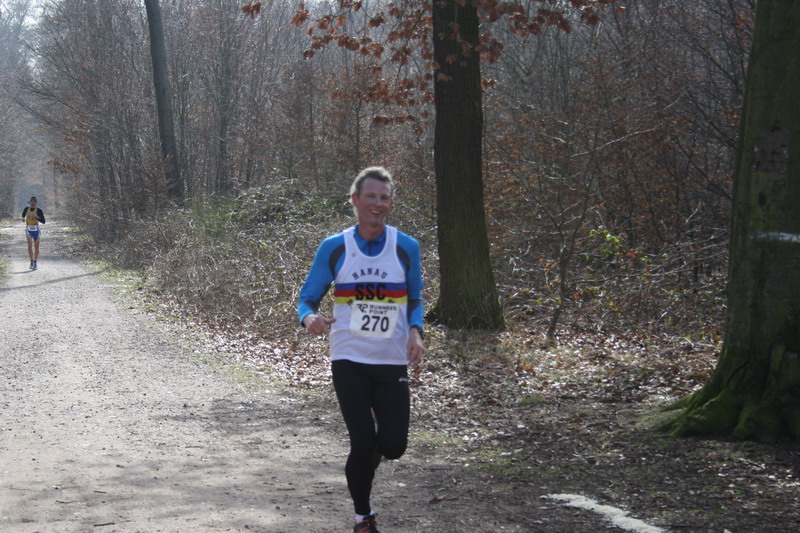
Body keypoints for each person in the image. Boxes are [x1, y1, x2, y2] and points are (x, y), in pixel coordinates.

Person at [298, 166, 425, 533]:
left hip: (391, 358)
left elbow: (415, 299)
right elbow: (307, 299)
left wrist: (415, 331)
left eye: (384, 198)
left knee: (394, 445)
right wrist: (309, 318)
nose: (377, 203)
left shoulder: (406, 247)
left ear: (391, 203)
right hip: (348, 357)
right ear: (355, 200)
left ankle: (372, 447)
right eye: (370, 196)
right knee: (362, 441)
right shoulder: (335, 247)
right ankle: (363, 517)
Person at [22, 196, 46, 270]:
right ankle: (31, 261)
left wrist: (36, 217)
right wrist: (23, 218)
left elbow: (43, 221)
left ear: (36, 203)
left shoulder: (39, 210)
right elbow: (23, 214)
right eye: (31, 201)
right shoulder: (26, 209)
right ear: (30, 202)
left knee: (36, 247)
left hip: (36, 230)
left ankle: (35, 262)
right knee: (29, 245)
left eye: (34, 201)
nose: (33, 202)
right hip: (28, 229)